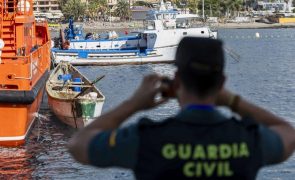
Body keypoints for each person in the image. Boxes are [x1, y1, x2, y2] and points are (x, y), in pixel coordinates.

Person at [68, 37, 295, 179]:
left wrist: (133, 104)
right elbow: (288, 134)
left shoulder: (145, 140)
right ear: (222, 83)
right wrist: (232, 101)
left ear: (176, 81)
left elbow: (78, 145)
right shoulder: (248, 140)